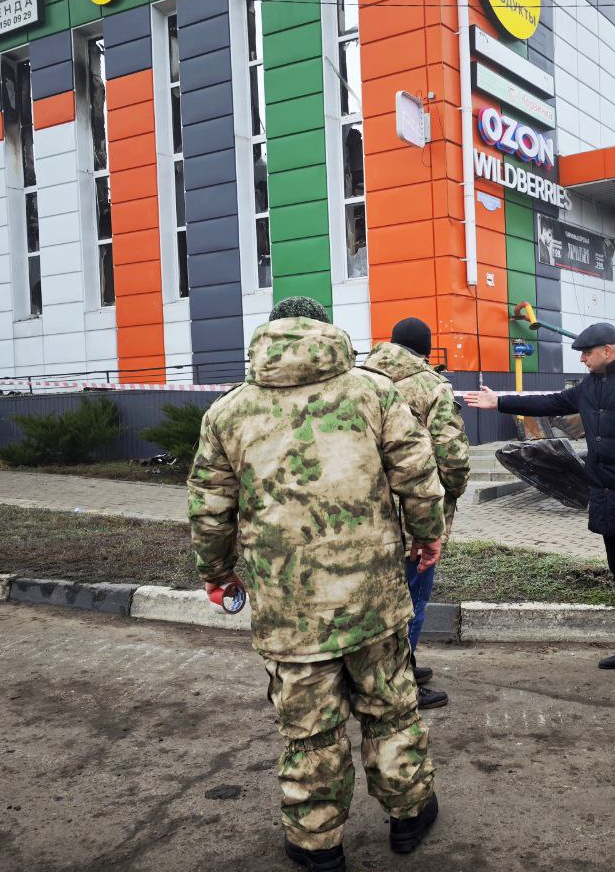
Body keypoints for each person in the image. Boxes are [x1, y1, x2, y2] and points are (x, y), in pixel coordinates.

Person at [188, 296, 446, 871]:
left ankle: (317, 847)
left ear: (271, 334)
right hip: (373, 595)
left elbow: (210, 509)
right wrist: (427, 535)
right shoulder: (374, 392)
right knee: (391, 708)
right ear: (326, 330)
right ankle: (409, 817)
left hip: (289, 606)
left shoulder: (228, 413)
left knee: (310, 730)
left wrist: (217, 572)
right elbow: (418, 473)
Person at [464, 323, 615, 689]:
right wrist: (500, 402)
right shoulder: (589, 385)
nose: (581, 359)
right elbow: (550, 403)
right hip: (605, 492)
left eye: (586, 353)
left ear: (608, 351)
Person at [363, 317, 471, 711]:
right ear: (426, 351)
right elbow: (452, 454)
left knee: (375, 598)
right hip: (415, 514)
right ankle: (400, 681)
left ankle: (389, 668)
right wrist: (452, 494)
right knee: (413, 596)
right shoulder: (430, 386)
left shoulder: (358, 378)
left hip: (362, 514)